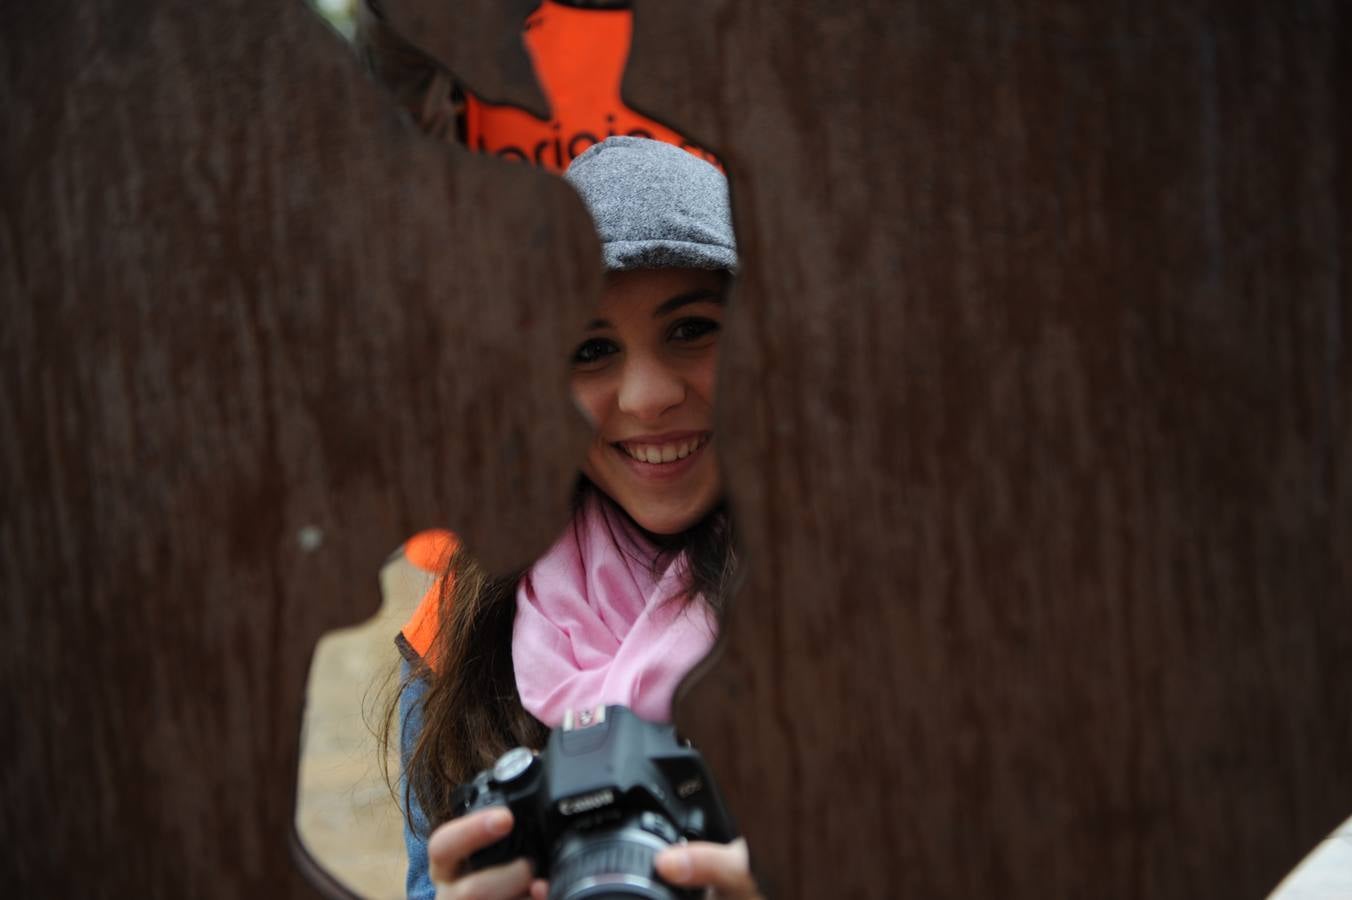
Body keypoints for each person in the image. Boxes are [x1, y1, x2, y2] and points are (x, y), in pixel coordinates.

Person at [388, 136, 762, 900]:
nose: (646, 395)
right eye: (590, 349)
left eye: (691, 329)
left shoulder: (878, 598)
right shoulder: (468, 638)